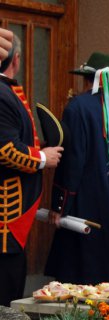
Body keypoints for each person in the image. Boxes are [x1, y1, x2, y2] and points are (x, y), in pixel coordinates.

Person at [45, 52, 109, 286]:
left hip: (87, 199)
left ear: (88, 80)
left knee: (81, 271)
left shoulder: (77, 106)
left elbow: (72, 162)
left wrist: (59, 204)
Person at [0, 35, 63, 306]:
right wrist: (41, 158)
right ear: (16, 59)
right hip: (5, 220)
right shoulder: (1, 95)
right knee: (6, 294)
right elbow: (5, 149)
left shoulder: (6, 91)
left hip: (13, 222)